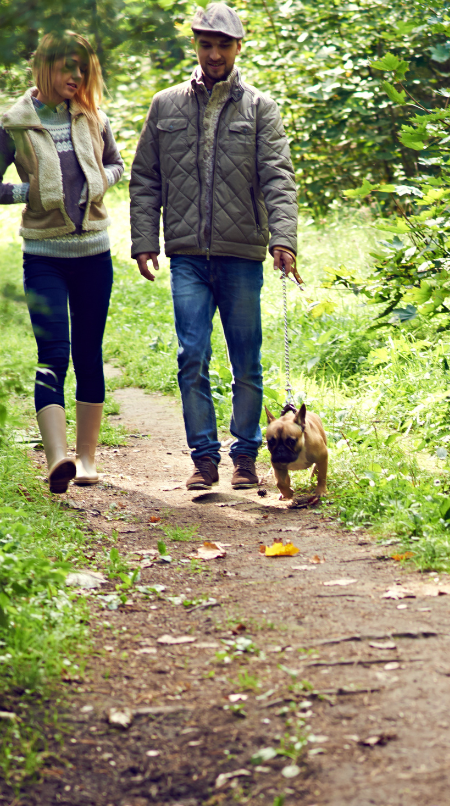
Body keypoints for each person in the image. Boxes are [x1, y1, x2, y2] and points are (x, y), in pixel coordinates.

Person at [130, 2, 301, 491]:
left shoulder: (260, 107)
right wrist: (145, 240)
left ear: (238, 47)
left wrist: (283, 239)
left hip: (242, 252)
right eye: (206, 44)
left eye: (224, 45)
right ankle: (204, 458)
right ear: (196, 46)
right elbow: (145, 179)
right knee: (191, 355)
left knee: (247, 359)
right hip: (186, 255)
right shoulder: (165, 104)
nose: (214, 54)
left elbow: (278, 179)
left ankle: (245, 456)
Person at [0, 31, 124, 494]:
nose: (75, 77)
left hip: (94, 255)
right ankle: (58, 458)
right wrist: (28, 193)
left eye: (82, 68)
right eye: (66, 68)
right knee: (53, 354)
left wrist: (101, 181)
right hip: (44, 256)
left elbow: (118, 165)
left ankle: (88, 459)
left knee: (89, 353)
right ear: (44, 68)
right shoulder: (15, 124)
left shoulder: (93, 116)